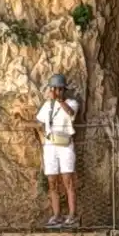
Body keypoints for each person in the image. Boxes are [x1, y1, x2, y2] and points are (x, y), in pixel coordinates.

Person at [36, 74, 79, 226]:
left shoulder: (71, 103)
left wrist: (60, 101)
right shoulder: (47, 105)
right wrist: (21, 121)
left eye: (59, 89)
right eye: (55, 89)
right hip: (50, 146)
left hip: (65, 146)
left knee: (68, 180)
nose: (57, 92)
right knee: (52, 182)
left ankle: (72, 215)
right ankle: (57, 215)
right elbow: (39, 122)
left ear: (63, 90)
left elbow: (71, 113)